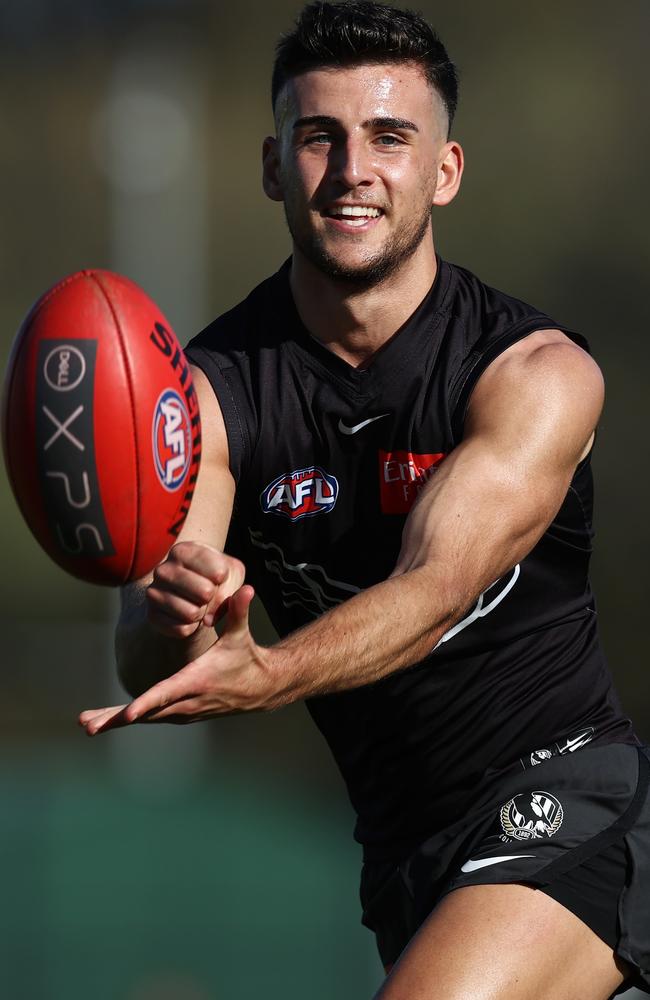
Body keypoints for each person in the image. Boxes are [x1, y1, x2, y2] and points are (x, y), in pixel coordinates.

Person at [79, 3, 650, 997]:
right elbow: (147, 652)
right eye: (319, 137)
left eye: (389, 137)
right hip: (402, 855)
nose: (352, 170)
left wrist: (271, 671)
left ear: (444, 171)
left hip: (566, 793)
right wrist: (177, 616)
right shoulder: (208, 395)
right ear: (271, 166)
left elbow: (435, 589)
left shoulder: (530, 373)